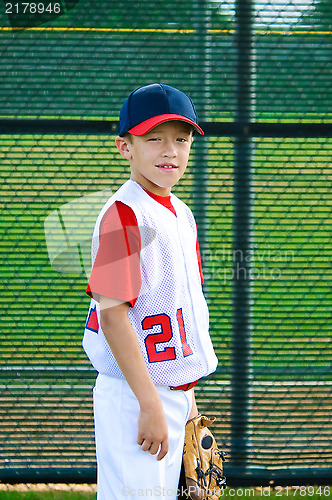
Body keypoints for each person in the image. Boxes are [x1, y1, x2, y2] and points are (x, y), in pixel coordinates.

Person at [82, 83, 218, 499]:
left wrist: (187, 399)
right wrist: (150, 405)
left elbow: (179, 313)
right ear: (125, 147)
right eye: (153, 138)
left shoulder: (180, 213)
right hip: (133, 396)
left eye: (181, 138)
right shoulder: (124, 216)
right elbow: (112, 315)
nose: (170, 150)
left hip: (169, 394)